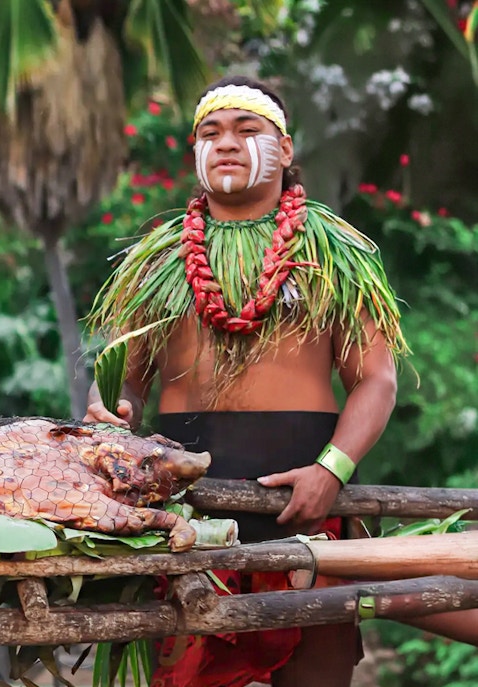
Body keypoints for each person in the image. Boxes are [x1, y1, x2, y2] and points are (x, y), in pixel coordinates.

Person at [84, 75, 407, 687]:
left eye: (247, 129)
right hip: (187, 513)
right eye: (211, 132)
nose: (226, 142)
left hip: (310, 506)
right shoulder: (158, 260)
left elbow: (377, 380)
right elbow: (123, 385)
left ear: (284, 150)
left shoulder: (333, 252)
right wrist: (114, 414)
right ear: (196, 152)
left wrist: (331, 468)